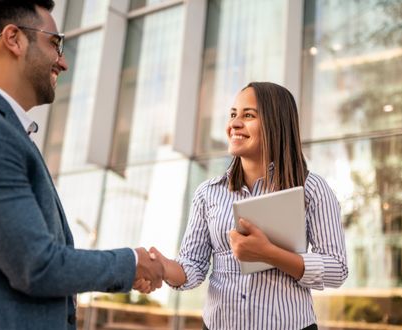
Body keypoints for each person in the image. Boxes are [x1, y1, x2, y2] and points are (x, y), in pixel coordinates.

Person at [0, 1, 163, 329]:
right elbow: (37, 266)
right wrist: (132, 264)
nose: (62, 62)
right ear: (14, 39)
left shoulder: (2, 130)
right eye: (55, 43)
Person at [140, 82, 348, 329]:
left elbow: (337, 269)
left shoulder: (312, 189)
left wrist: (269, 254)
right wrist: (163, 267)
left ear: (276, 124)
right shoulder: (208, 193)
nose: (234, 124)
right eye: (232, 115)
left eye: (248, 115)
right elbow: (192, 267)